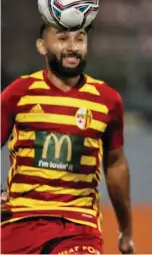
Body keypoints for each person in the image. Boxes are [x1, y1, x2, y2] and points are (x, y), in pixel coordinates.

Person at [1, 22, 135, 254]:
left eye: (80, 39)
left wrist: (126, 229)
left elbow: (115, 163)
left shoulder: (107, 100)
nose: (73, 47)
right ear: (42, 46)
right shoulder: (19, 92)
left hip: (78, 226)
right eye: (63, 39)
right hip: (20, 221)